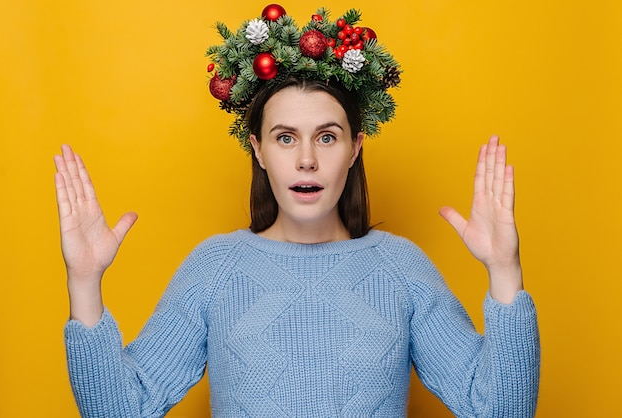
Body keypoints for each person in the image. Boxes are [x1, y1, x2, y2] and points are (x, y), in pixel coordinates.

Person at [55, 5, 540, 418]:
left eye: (327, 137)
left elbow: (498, 410)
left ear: (355, 149)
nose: (306, 158)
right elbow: (122, 408)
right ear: (259, 150)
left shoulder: (402, 268)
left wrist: (504, 271)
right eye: (285, 137)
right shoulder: (214, 268)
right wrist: (84, 281)